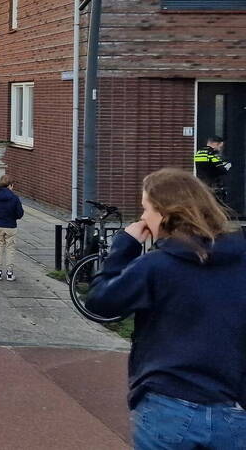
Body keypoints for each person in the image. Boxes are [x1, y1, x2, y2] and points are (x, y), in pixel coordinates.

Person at [86, 168, 246, 449]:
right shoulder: (240, 262)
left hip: (169, 403)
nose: (143, 217)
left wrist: (125, 246)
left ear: (164, 214)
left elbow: (101, 302)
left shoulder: (157, 266)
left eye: (146, 208)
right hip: (232, 408)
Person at [0, 174, 24, 281]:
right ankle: (10, 273)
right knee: (10, 249)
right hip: (11, 226)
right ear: (10, 185)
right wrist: (13, 217)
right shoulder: (15, 198)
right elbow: (20, 213)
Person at [194, 136, 231, 204]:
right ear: (215, 144)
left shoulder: (198, 152)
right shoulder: (212, 154)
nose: (220, 149)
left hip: (201, 182)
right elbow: (222, 169)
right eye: (220, 147)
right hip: (212, 184)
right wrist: (227, 166)